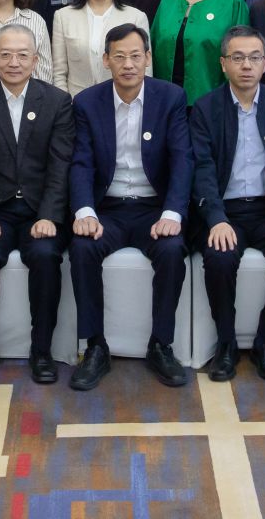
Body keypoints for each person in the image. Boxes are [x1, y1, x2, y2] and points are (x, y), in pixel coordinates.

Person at [67, 25, 194, 390]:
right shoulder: (87, 102)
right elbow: (81, 162)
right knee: (82, 247)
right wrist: (84, 211)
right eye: (119, 56)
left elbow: (182, 159)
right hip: (107, 207)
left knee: (172, 250)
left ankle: (161, 345)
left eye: (136, 56)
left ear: (148, 58)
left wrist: (172, 213)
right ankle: (95, 346)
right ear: (106, 60)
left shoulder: (170, 98)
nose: (128, 64)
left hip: (154, 207)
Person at [0, 23, 77, 384]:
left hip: (41, 210)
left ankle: (41, 350)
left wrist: (50, 216)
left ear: (36, 60)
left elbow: (60, 166)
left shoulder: (57, 102)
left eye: (23, 55)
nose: (14, 62)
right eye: (6, 55)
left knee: (45, 255)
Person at [193, 27, 265, 382]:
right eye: (238, 58)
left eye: (254, 58)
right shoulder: (205, 108)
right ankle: (226, 344)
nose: (246, 65)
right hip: (225, 211)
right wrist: (215, 218)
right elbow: (202, 170)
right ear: (223, 64)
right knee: (219, 257)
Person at [53, 0, 150, 96]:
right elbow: (59, 73)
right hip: (76, 102)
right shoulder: (64, 16)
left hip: (122, 102)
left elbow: (145, 72)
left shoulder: (136, 17)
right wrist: (66, 105)